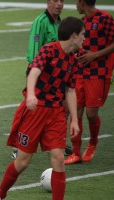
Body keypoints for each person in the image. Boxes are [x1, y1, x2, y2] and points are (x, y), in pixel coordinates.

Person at [0, 16, 84, 200]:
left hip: (56, 112)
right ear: (74, 36)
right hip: (36, 112)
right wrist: (32, 94)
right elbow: (34, 71)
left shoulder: (74, 61)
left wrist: (74, 119)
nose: (84, 38)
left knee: (58, 158)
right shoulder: (49, 50)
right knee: (23, 162)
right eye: (83, 34)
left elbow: (70, 91)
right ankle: (0, 194)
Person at [11, 0, 67, 159]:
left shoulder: (60, 22)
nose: (59, 4)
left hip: (57, 74)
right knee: (30, 108)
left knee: (60, 108)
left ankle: (56, 142)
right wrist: (34, 76)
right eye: (56, 0)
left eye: (62, 1)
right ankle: (17, 145)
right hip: (41, 74)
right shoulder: (40, 22)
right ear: (48, 2)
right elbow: (35, 52)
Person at [64, 0, 114, 165]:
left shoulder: (105, 18)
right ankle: (76, 152)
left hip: (99, 73)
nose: (75, 6)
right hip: (80, 72)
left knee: (91, 114)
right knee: (76, 110)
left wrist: (95, 55)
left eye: (76, 3)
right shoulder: (82, 23)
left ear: (82, 2)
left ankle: (92, 143)